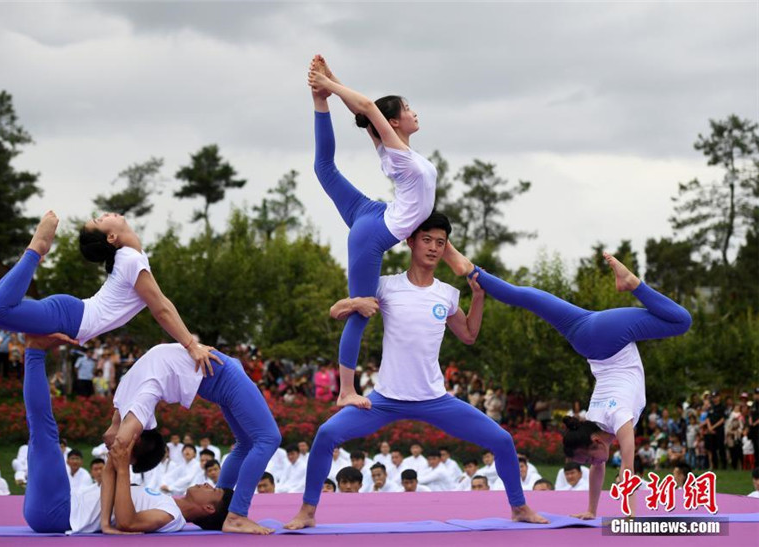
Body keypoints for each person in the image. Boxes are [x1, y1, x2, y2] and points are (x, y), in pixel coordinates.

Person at [285, 213, 545, 529]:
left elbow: (469, 336)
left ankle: (519, 507)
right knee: (326, 434)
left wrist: (478, 297)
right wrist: (355, 304)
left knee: (502, 440)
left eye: (440, 243)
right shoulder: (386, 286)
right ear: (410, 241)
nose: (434, 248)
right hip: (385, 399)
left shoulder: (447, 294)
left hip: (434, 399)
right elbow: (335, 311)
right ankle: (307, 512)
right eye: (427, 240)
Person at [442, 244, 691, 517]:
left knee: (682, 321)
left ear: (595, 441)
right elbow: (606, 471)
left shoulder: (617, 418)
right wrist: (592, 511)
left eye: (586, 458)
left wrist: (628, 509)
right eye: (587, 460)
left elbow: (627, 460)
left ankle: (632, 283)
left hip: (607, 339)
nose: (590, 464)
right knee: (528, 297)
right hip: (585, 337)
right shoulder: (593, 419)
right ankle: (472, 271)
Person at [307, 55, 437, 409]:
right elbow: (366, 106)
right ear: (394, 122)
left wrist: (327, 87)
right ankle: (346, 389)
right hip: (373, 232)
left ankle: (318, 104)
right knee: (362, 311)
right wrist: (330, 83)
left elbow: (364, 113)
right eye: (408, 109)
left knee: (324, 169)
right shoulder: (401, 156)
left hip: (372, 212)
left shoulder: (394, 151)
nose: (414, 113)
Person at [18, 334, 231, 534]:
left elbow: (127, 522)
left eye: (214, 491)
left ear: (209, 509)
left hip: (58, 512)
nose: (207, 484)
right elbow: (110, 475)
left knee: (43, 429)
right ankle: (35, 350)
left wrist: (122, 469)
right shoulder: (165, 501)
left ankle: (35, 350)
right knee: (41, 430)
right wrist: (104, 521)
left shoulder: (172, 516)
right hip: (59, 505)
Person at [0, 211, 220, 371]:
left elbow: (161, 305)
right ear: (112, 237)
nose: (104, 214)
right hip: (71, 317)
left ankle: (30, 257)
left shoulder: (131, 258)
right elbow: (161, 307)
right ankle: (35, 250)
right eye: (100, 220)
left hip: (71, 316)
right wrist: (191, 345)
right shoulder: (131, 260)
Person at [103, 343, 281, 535]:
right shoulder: (136, 398)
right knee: (268, 438)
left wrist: (190, 343)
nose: (113, 447)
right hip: (224, 376)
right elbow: (118, 444)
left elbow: (117, 443)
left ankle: (222, 502)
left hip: (222, 374)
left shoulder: (125, 401)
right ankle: (237, 515)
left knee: (246, 444)